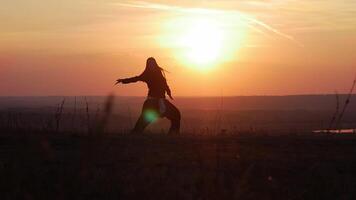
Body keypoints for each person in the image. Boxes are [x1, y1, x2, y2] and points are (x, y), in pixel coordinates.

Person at [115, 57, 181, 134]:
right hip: (152, 102)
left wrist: (168, 92)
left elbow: (165, 84)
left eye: (152, 63)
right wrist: (124, 80)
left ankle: (173, 134)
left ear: (155, 64)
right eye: (149, 64)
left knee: (176, 114)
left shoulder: (159, 73)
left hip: (161, 101)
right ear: (148, 65)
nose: (151, 65)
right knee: (143, 121)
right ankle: (135, 133)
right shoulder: (147, 74)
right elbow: (136, 78)